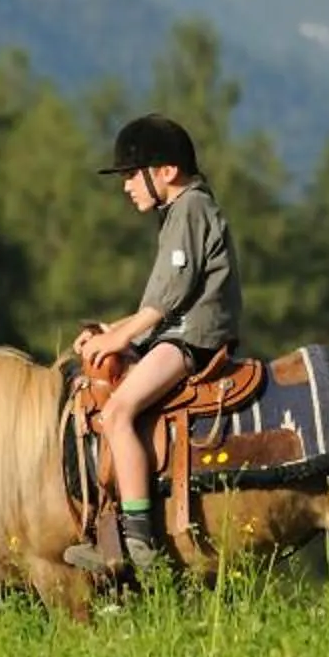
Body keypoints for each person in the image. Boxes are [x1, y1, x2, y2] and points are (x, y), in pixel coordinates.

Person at [64, 113, 244, 583]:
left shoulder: (189, 209)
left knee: (119, 411)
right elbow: (156, 305)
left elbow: (169, 298)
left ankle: (139, 537)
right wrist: (109, 328)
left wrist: (119, 337)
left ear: (165, 171)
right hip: (175, 332)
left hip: (191, 340)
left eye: (130, 175)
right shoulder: (181, 212)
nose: (126, 186)